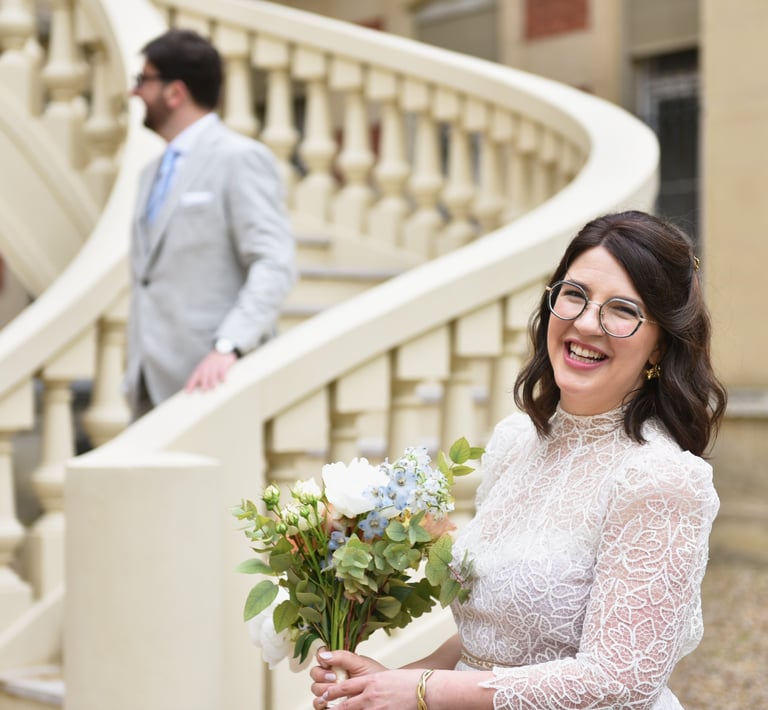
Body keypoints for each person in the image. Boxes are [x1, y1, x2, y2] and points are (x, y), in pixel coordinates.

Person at [309, 210, 727, 709]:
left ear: (660, 343)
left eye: (622, 310)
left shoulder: (662, 479)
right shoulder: (515, 442)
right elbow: (489, 643)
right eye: (574, 295)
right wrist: (380, 685)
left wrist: (422, 692)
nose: (586, 323)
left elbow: (619, 681)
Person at [124, 29, 295, 419]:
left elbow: (274, 263)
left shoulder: (240, 158)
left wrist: (229, 346)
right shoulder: (149, 173)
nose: (135, 93)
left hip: (213, 383)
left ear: (175, 92)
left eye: (143, 80)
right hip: (148, 383)